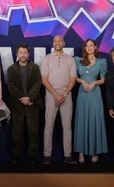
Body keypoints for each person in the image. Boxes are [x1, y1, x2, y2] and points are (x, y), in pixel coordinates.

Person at [41, 34, 77, 165]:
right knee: (48, 126)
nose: (57, 43)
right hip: (51, 94)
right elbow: (44, 80)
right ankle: (47, 155)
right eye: (55, 41)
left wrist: (64, 95)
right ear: (53, 43)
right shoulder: (47, 58)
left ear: (64, 43)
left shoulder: (70, 59)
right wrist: (56, 96)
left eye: (60, 41)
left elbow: (73, 80)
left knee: (67, 126)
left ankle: (67, 155)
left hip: (66, 95)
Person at [6, 43, 43, 164]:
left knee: (33, 132)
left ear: (29, 54)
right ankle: (16, 156)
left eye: (25, 52)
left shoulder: (35, 67)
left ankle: (32, 157)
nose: (23, 55)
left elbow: (37, 84)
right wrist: (22, 98)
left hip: (32, 104)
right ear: (17, 54)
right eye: (20, 52)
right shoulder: (11, 69)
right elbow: (11, 86)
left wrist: (30, 98)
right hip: (17, 105)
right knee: (17, 133)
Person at [73, 38, 108, 164]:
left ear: (95, 47)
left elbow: (103, 80)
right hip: (82, 94)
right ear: (85, 48)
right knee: (81, 121)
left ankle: (95, 152)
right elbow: (74, 77)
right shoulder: (78, 61)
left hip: (95, 94)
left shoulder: (101, 62)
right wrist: (82, 81)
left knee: (95, 121)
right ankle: (81, 152)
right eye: (87, 45)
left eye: (91, 45)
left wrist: (94, 82)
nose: (89, 47)